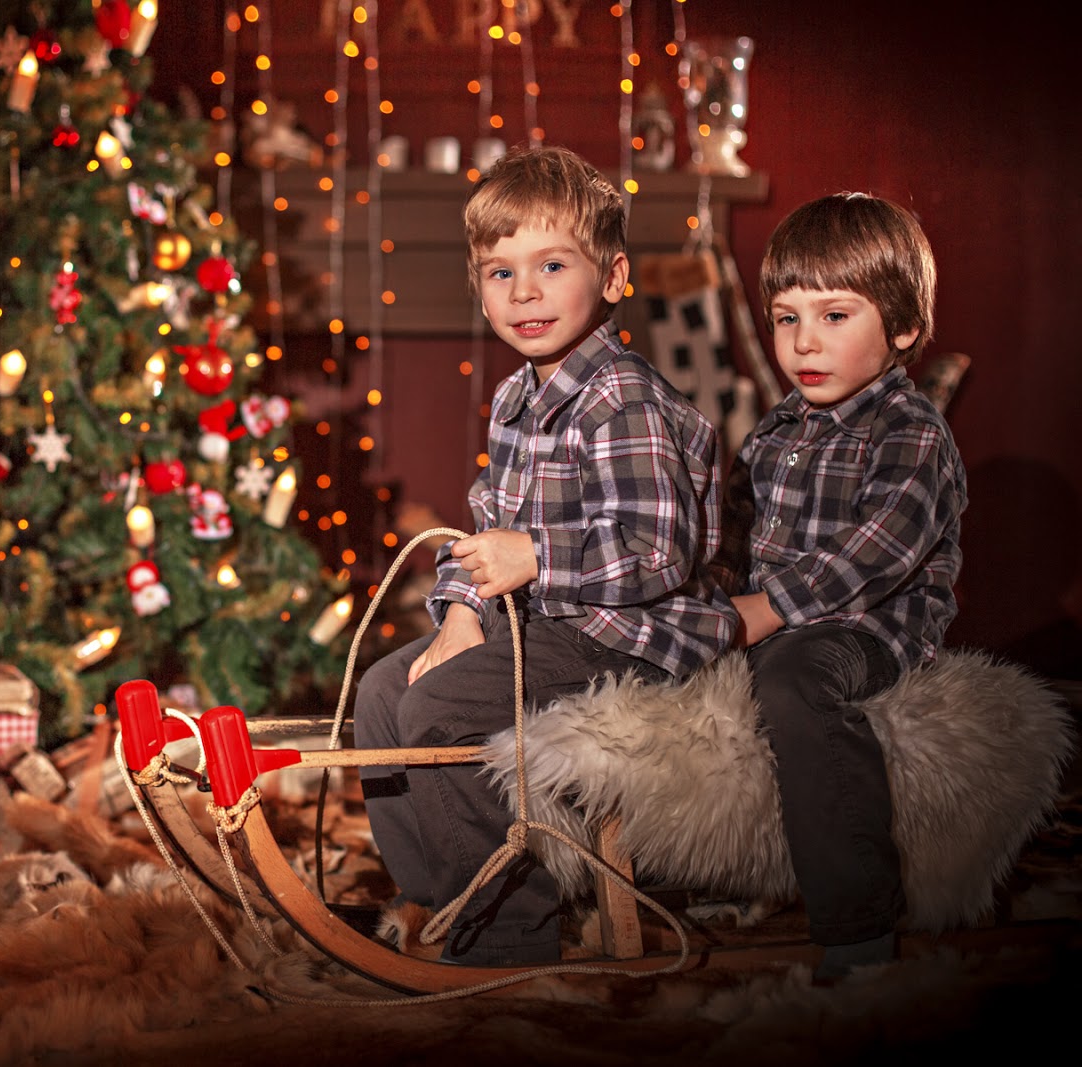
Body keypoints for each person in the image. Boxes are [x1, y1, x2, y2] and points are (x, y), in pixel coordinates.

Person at [355, 145, 735, 966]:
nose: (523, 292)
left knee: (438, 711)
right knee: (385, 694)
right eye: (500, 272)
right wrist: (461, 613)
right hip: (544, 623)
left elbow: (658, 549)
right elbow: (485, 527)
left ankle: (508, 929)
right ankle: (434, 900)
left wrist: (536, 557)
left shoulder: (622, 397)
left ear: (614, 276)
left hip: (625, 634)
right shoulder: (516, 400)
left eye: (551, 264)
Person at [714, 192, 967, 981]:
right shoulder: (775, 429)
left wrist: (768, 607)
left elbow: (877, 551)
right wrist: (709, 597)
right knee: (679, 680)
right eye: (787, 318)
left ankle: (857, 919)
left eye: (833, 316)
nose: (803, 342)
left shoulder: (911, 430)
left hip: (871, 628)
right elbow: (734, 530)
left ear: (899, 328)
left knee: (795, 681)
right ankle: (701, 873)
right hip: (776, 620)